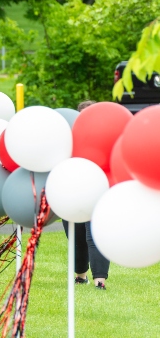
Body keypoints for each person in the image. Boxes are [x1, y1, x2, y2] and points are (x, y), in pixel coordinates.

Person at [63, 100, 110, 290]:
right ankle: (82, 277)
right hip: (70, 191)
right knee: (77, 235)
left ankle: (98, 279)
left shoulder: (104, 138)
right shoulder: (68, 139)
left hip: (94, 189)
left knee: (93, 234)